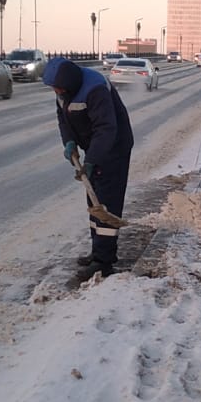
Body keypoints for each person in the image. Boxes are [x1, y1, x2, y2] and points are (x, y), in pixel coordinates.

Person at [43, 57, 134, 280]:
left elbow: (106, 128)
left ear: (70, 83)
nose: (56, 91)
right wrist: (69, 142)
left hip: (113, 147)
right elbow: (63, 119)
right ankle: (97, 252)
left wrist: (92, 161)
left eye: (58, 87)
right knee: (94, 202)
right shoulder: (63, 91)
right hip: (94, 147)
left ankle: (104, 262)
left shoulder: (95, 88)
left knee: (105, 203)